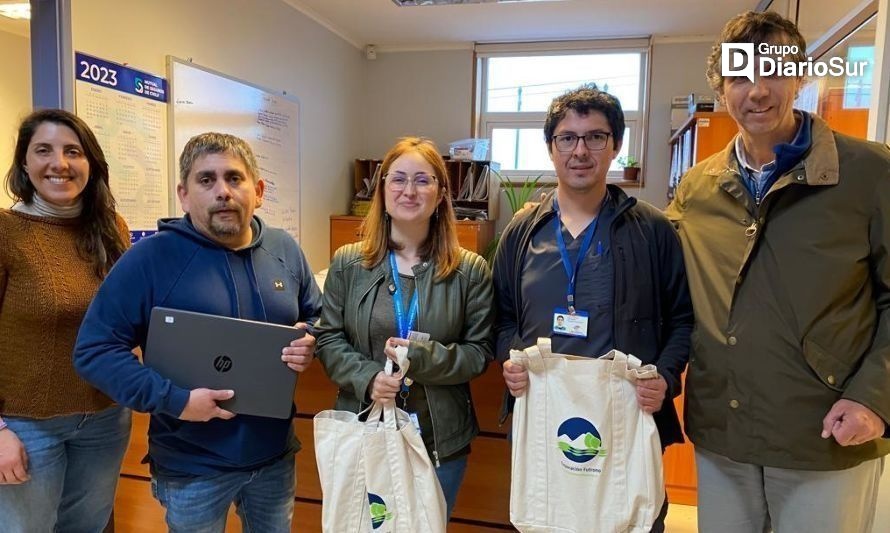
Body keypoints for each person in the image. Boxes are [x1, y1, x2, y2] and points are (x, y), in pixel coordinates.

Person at [665, 10, 890, 532]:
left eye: (772, 71)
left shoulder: (870, 173)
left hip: (825, 432)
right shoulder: (697, 188)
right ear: (721, 89)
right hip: (724, 434)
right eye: (740, 76)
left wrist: (873, 397)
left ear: (800, 75)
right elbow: (672, 294)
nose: (757, 91)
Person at [73, 132, 322, 532]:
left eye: (234, 178)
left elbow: (318, 315)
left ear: (257, 190)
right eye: (206, 180)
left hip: (274, 457)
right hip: (191, 466)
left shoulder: (284, 250)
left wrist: (310, 338)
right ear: (184, 195)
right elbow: (95, 350)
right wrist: (175, 400)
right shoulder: (150, 259)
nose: (222, 191)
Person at [493, 84, 693, 532]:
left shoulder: (652, 231)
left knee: (632, 522)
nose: (580, 150)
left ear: (615, 146)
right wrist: (510, 359)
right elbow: (502, 319)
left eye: (595, 137)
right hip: (546, 423)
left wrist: (664, 376)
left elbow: (682, 319)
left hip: (628, 420)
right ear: (551, 148)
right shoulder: (523, 233)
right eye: (567, 137)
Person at [315, 136, 495, 519]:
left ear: (441, 193)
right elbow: (328, 337)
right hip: (364, 429)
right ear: (382, 189)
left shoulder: (470, 270)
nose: (409, 191)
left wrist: (421, 357)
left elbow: (479, 352)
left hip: (438, 439)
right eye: (398, 179)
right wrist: (367, 378)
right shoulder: (348, 264)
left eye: (423, 180)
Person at [0, 109, 131, 532]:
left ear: (90, 164)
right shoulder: (5, 231)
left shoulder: (112, 229)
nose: (59, 163)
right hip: (25, 424)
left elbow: (130, 317)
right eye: (43, 150)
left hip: (105, 417)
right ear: (24, 163)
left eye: (72, 151)